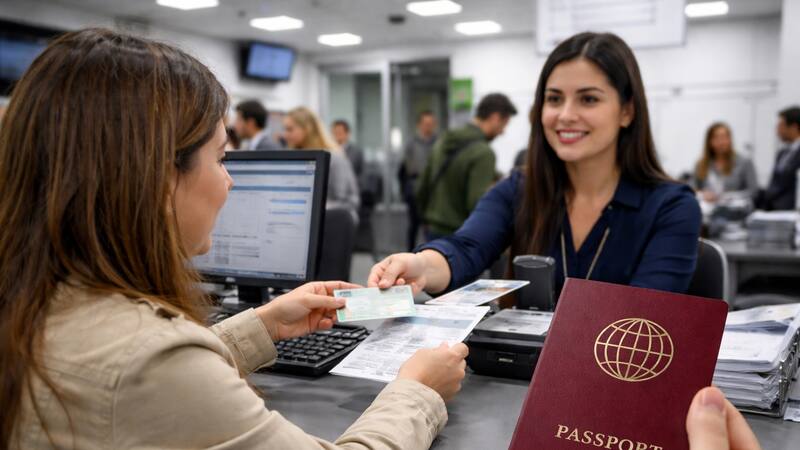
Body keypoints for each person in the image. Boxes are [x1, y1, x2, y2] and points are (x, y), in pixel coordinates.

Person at [0, 28, 470, 449]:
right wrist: (417, 392)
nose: (229, 182)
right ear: (161, 179)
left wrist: (262, 326)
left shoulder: (36, 304)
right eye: (222, 159)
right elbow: (153, 374)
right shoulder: (149, 361)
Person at [369, 32, 702, 301]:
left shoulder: (671, 207)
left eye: (588, 99)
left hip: (614, 372)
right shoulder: (519, 188)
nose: (565, 114)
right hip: (515, 378)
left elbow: (646, 321)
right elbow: (466, 248)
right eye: (554, 99)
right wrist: (423, 266)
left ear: (627, 111)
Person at [416, 93, 517, 240]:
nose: (502, 132)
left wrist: (425, 219)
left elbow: (422, 186)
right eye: (503, 125)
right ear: (495, 118)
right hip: (460, 237)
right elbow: (477, 205)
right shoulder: (484, 153)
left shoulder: (443, 140)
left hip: (433, 231)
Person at [283, 107, 361, 220]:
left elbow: (349, 201)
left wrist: (313, 208)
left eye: (290, 129)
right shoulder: (292, 157)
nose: (285, 135)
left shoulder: (334, 158)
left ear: (307, 129)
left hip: (329, 223)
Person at [400, 110, 438, 250]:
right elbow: (408, 166)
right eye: (425, 123)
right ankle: (409, 253)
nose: (428, 126)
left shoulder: (439, 142)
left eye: (431, 124)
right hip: (415, 188)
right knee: (414, 224)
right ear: (419, 125)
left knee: (430, 225)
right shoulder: (411, 143)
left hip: (433, 190)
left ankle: (431, 253)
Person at [692, 122, 758, 202]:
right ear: (709, 142)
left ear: (730, 140)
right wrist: (703, 194)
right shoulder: (701, 164)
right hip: (708, 208)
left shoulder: (744, 162)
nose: (721, 142)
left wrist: (731, 196)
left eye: (724, 137)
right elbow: (692, 189)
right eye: (716, 138)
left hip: (735, 209)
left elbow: (754, 192)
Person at [759, 106, 800, 210]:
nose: (777, 129)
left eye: (781, 125)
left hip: (791, 210)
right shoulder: (781, 153)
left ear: (794, 127)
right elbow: (774, 183)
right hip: (772, 209)